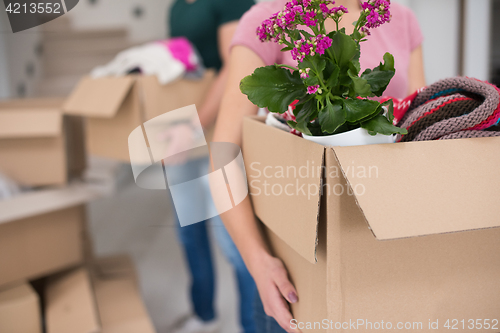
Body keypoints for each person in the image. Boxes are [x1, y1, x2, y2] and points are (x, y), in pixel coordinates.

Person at [212, 1, 426, 333]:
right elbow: (224, 154)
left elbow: (415, 121)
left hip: (382, 243)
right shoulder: (271, 18)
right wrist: (258, 261)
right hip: (294, 255)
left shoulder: (402, 19)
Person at [166, 1, 256, 333]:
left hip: (223, 130)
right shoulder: (177, 7)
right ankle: (204, 315)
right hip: (183, 135)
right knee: (188, 231)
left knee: (235, 242)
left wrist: (193, 125)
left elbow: (236, 65)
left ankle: (251, 326)